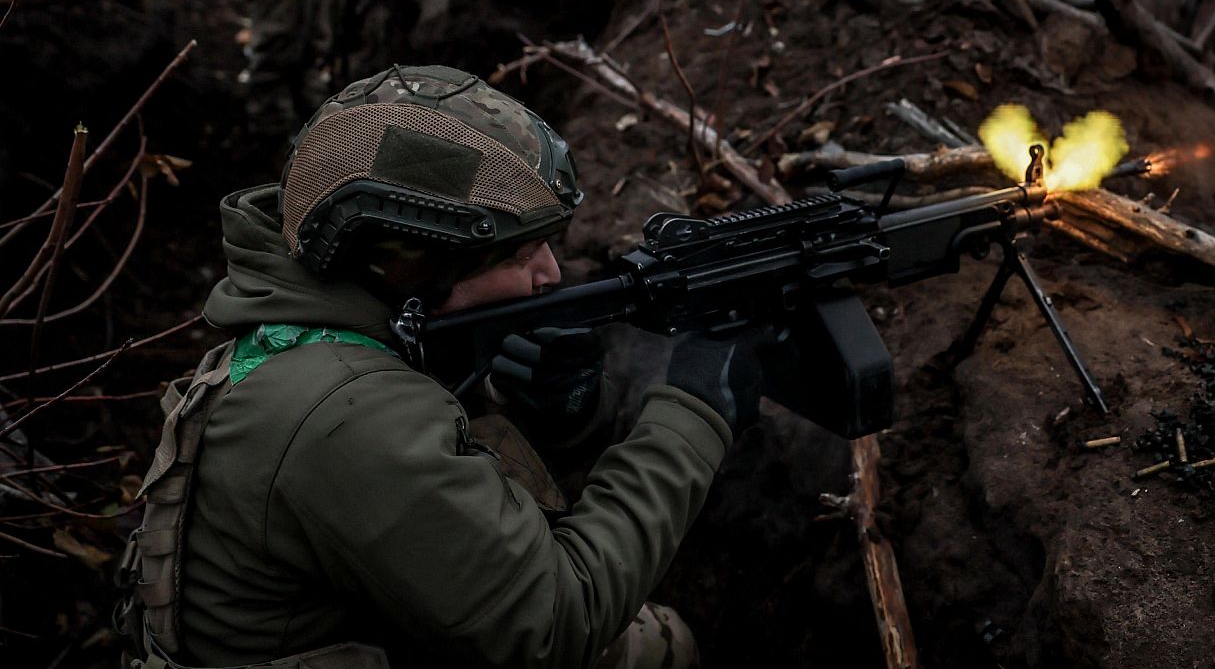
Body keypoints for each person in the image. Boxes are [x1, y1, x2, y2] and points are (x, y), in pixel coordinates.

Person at [116, 65, 763, 669]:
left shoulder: (304, 346)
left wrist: (550, 411)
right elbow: (556, 624)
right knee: (659, 648)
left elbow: (439, 485)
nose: (551, 275)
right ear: (411, 267)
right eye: (519, 255)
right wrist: (692, 415)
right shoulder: (345, 413)